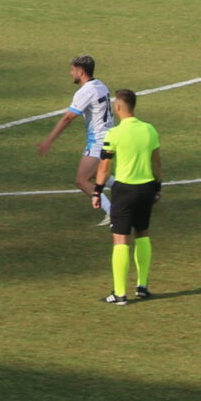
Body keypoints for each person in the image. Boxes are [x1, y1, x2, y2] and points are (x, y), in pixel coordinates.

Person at [94, 89, 161, 303]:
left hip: (124, 190)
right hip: (147, 188)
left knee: (120, 239)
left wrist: (96, 191)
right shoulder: (150, 130)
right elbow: (156, 163)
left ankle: (120, 293)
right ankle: (142, 286)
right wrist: (157, 188)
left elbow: (104, 167)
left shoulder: (113, 134)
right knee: (142, 233)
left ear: (119, 107)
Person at [37, 55, 117, 224]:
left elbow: (67, 118)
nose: (70, 73)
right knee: (97, 173)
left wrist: (48, 141)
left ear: (80, 71)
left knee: (81, 180)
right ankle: (130, 193)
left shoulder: (86, 91)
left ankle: (112, 212)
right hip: (109, 136)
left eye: (72, 70)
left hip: (98, 140)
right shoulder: (101, 85)